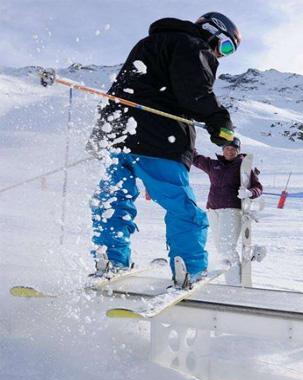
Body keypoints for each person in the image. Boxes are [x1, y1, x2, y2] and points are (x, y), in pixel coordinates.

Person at [88, 12, 242, 287]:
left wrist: (101, 135)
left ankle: (110, 259)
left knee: (114, 200)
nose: (221, 55)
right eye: (225, 47)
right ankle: (190, 267)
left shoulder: (147, 44)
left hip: (119, 138)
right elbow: (193, 91)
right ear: (212, 31)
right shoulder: (192, 45)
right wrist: (220, 122)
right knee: (180, 206)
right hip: (159, 138)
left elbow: (121, 89)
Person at [192, 137, 262, 285]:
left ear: (238, 151)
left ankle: (234, 283)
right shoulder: (214, 165)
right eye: (227, 148)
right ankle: (232, 280)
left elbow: (258, 188)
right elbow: (195, 159)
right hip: (213, 210)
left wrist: (249, 192)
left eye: (233, 149)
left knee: (227, 248)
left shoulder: (243, 167)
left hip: (232, 210)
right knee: (221, 249)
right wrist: (186, 141)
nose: (230, 151)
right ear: (223, 150)